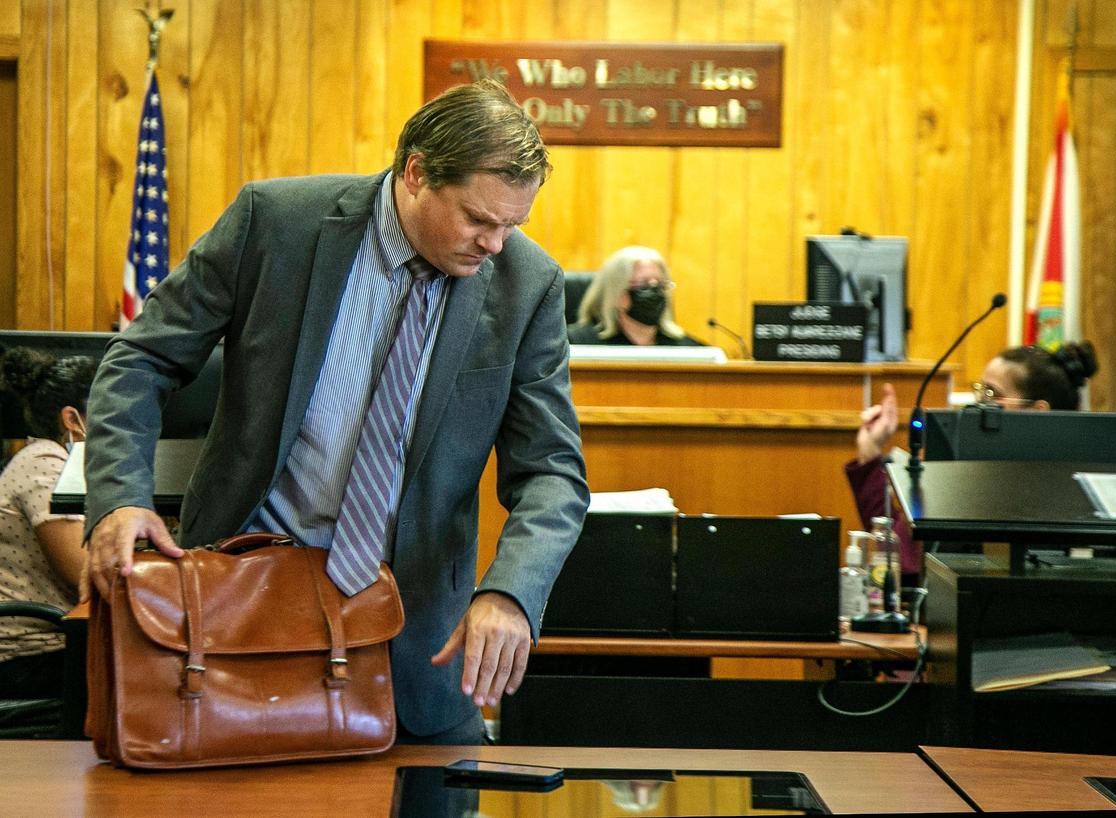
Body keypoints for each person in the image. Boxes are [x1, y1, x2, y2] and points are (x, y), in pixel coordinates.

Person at [82, 79, 590, 745]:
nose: (494, 244)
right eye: (477, 219)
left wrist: (511, 592)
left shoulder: (527, 285)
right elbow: (140, 359)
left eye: (511, 225)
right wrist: (120, 495)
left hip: (416, 656)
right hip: (235, 626)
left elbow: (552, 471)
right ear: (414, 174)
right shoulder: (276, 223)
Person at [845, 341, 1099, 587]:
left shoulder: (1051, 491)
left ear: (1037, 411)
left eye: (991, 394)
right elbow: (900, 552)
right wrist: (869, 449)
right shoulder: (968, 473)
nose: (976, 404)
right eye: (979, 390)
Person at [0, 347, 97, 698]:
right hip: (30, 652)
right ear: (72, 419)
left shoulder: (54, 462)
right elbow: (83, 570)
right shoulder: (46, 464)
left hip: (56, 643)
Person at [567, 245, 705, 346]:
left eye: (660, 285)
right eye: (642, 284)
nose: (654, 291)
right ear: (615, 293)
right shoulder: (577, 343)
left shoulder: (690, 349)